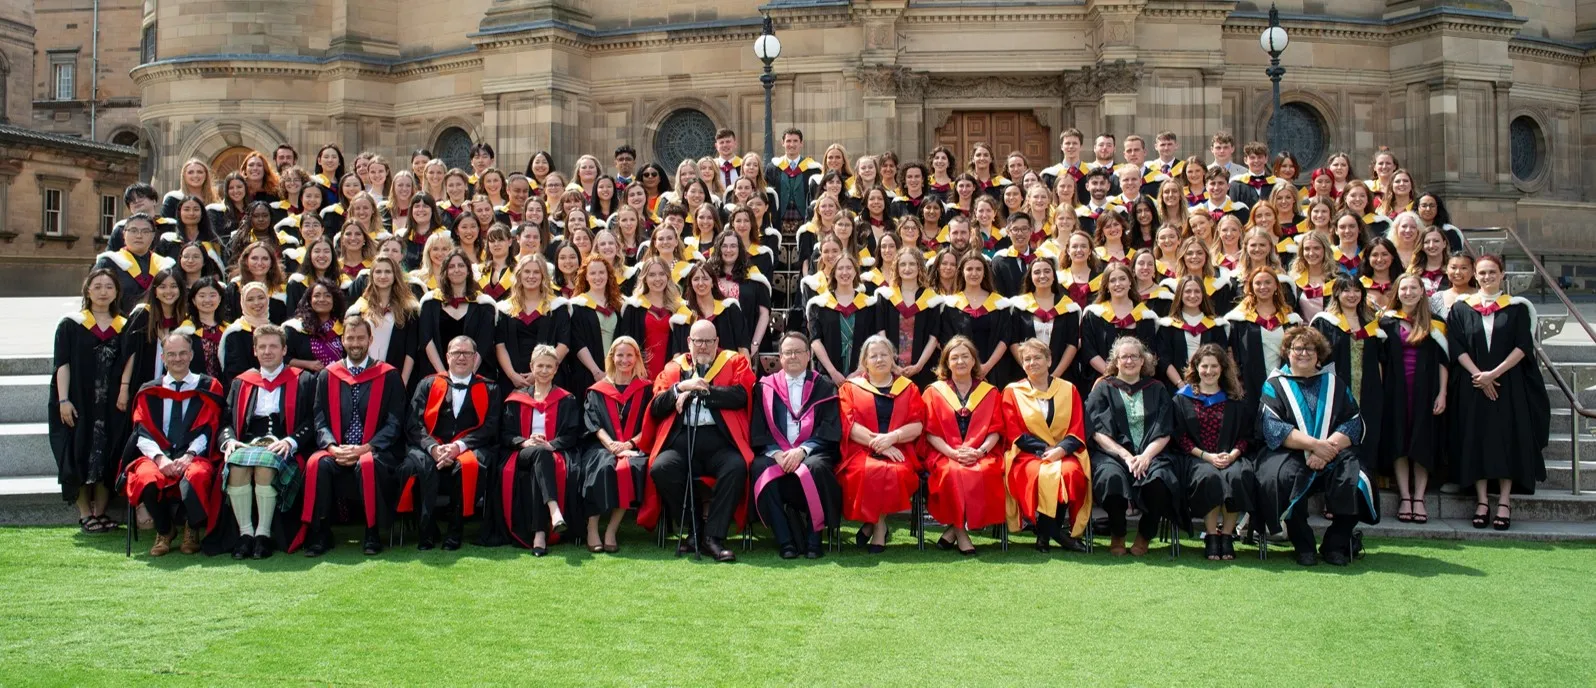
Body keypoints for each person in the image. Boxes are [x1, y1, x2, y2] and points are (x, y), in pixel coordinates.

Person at [1255, 326, 1378, 566]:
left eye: (1309, 349)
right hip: (1288, 451)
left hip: (1333, 450)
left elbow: (1353, 422)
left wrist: (1327, 449)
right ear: (1287, 352)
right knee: (1281, 478)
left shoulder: (1334, 383)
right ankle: (1303, 545)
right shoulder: (1274, 385)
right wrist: (1315, 446)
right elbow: (1274, 428)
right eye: (1297, 348)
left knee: (1357, 478)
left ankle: (1335, 543)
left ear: (1319, 354)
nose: (1303, 353)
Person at [639, 320, 757, 562]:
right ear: (688, 342)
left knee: (736, 467)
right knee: (662, 468)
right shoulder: (674, 368)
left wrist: (697, 390)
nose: (703, 346)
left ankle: (713, 538)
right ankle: (694, 531)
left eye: (708, 341)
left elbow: (741, 395)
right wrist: (680, 387)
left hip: (720, 440)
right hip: (683, 440)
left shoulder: (734, 361)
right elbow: (656, 407)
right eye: (698, 341)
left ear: (717, 342)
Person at [1447, 254, 1549, 532]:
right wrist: (1479, 375)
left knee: (1507, 438)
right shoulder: (1461, 308)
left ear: (1502, 275)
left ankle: (1504, 501)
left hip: (1509, 384)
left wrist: (1494, 374)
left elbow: (1522, 345)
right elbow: (1456, 346)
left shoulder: (1516, 309)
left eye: (1492, 272)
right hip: (1472, 383)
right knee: (1476, 438)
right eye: (1482, 273)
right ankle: (1482, 501)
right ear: (1474, 276)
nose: (1487, 277)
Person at [294, 315, 407, 556]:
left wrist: (367, 447)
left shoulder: (388, 375)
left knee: (368, 464)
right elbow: (319, 418)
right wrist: (332, 447)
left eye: (360, 338)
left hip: (375, 451)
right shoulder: (328, 375)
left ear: (370, 340)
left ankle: (372, 532)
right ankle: (320, 533)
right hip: (337, 449)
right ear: (343, 341)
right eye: (350, 338)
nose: (355, 343)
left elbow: (395, 421)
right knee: (316, 463)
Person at [121, 334, 227, 556]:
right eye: (171, 354)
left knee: (197, 475)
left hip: (195, 454)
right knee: (145, 478)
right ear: (163, 357)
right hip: (157, 455)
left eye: (182, 353)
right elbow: (142, 431)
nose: (177, 358)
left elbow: (210, 427)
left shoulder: (209, 386)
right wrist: (160, 459)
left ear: (191, 355)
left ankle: (192, 527)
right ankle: (165, 530)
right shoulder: (149, 390)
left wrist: (189, 455)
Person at [217, 324, 316, 559]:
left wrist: (292, 442)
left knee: (265, 464)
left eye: (273, 346)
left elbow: (313, 420)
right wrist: (229, 441)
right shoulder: (242, 382)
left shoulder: (304, 380)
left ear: (284, 350)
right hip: (249, 443)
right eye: (262, 347)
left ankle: (263, 534)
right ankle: (245, 534)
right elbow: (225, 422)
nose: (267, 351)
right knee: (237, 463)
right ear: (255, 351)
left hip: (285, 445)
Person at [1085, 336, 1184, 556]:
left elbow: (1165, 429)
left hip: (1152, 453)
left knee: (1160, 480)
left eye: (1134, 356)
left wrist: (1146, 456)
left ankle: (1145, 535)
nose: (1129, 361)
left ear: (1143, 361)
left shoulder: (1157, 389)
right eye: (1124, 357)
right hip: (1113, 454)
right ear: (1116, 361)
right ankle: (1118, 533)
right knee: (1111, 477)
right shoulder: (1103, 388)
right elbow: (1097, 431)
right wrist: (1125, 456)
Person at [51, 269, 134, 533]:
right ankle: (85, 513)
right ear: (87, 290)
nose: (103, 291)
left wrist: (123, 390)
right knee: (79, 451)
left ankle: (101, 511)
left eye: (109, 286)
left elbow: (130, 360)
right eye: (97, 286)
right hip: (79, 400)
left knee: (108, 451)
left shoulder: (123, 324)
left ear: (116, 292)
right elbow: (62, 364)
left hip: (111, 402)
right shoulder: (71, 324)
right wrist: (63, 399)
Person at [749, 332, 843, 559]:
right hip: (776, 453)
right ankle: (785, 541)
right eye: (787, 352)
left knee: (817, 467)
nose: (793, 356)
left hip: (812, 451)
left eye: (798, 352)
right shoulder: (764, 387)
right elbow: (758, 428)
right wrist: (777, 453)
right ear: (779, 357)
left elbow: (829, 428)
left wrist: (802, 450)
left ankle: (814, 540)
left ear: (808, 356)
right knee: (759, 467)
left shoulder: (824, 386)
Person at [403, 336, 501, 551]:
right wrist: (434, 448)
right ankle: (426, 532)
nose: (461, 357)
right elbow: (413, 424)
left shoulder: (490, 388)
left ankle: (454, 533)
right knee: (421, 466)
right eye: (456, 352)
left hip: (470, 447)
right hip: (431, 447)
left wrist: (459, 447)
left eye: (467, 353)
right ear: (447, 357)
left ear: (476, 358)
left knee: (465, 466)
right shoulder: (427, 384)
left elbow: (491, 427)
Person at [1002, 338, 1092, 553]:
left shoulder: (1068, 389)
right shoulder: (1012, 391)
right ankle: (1056, 534)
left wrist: (1060, 450)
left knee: (1069, 473)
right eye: (1027, 359)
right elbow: (1014, 431)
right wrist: (1045, 450)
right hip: (1027, 455)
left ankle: (1044, 533)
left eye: (1037, 358)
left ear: (1049, 360)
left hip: (1064, 452)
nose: (1032, 363)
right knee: (1040, 474)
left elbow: (1077, 426)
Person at [836, 335, 926, 553]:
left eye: (884, 354)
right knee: (865, 471)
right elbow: (849, 425)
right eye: (873, 355)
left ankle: (874, 525)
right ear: (864, 361)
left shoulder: (908, 388)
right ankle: (880, 525)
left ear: (893, 358)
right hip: (861, 449)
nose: (879, 359)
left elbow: (917, 425)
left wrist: (892, 438)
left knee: (896, 472)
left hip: (900, 448)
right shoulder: (850, 387)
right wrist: (881, 444)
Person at [489, 344, 581, 554]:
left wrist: (551, 444)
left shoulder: (566, 399)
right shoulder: (516, 398)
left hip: (551, 451)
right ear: (531, 366)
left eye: (549, 366)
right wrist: (524, 441)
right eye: (540, 366)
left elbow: (572, 434)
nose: (544, 371)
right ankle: (554, 511)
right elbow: (504, 433)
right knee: (539, 453)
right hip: (521, 452)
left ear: (556, 369)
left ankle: (540, 534)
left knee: (542, 456)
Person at [921, 336, 1007, 555]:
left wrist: (979, 452)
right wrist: (952, 452)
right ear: (946, 363)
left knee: (986, 471)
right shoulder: (933, 391)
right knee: (953, 472)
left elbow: (995, 430)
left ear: (974, 361)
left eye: (965, 357)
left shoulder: (990, 392)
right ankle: (961, 532)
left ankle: (952, 531)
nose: (960, 361)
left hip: (981, 452)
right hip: (944, 452)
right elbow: (929, 432)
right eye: (954, 357)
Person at [1172, 344, 1256, 561]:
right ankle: (1211, 536)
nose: (1209, 371)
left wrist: (1233, 455)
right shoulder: (1183, 399)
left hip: (1231, 456)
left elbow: (1246, 436)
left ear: (1223, 368)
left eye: (1214, 366)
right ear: (1196, 368)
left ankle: (1227, 536)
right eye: (1204, 366)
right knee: (1208, 477)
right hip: (1197, 458)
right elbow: (1179, 437)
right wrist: (1207, 456)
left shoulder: (1235, 399)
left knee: (1237, 476)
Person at [1377, 274, 1449, 525]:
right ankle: (1404, 496)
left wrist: (1443, 393)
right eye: (1403, 288)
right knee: (1399, 441)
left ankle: (1419, 497)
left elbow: (1443, 361)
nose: (1408, 293)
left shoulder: (1436, 324)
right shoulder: (1386, 322)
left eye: (1413, 288)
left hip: (1426, 391)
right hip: (1395, 391)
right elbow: (1380, 361)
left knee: (1422, 442)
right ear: (1396, 292)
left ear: (1422, 292)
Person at [575, 337, 652, 553]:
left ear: (637, 358)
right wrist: (611, 444)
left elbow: (650, 425)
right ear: (612, 357)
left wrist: (628, 443)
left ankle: (611, 529)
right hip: (602, 447)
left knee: (630, 469)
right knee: (602, 467)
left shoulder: (647, 389)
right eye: (620, 355)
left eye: (629, 355)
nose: (624, 360)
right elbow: (592, 422)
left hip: (633, 446)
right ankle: (592, 527)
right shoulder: (597, 389)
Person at [95, 213, 176, 312]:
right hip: (117, 324)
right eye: (133, 230)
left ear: (153, 236)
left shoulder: (164, 265)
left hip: (157, 324)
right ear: (124, 234)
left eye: (145, 231)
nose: (139, 236)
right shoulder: (109, 263)